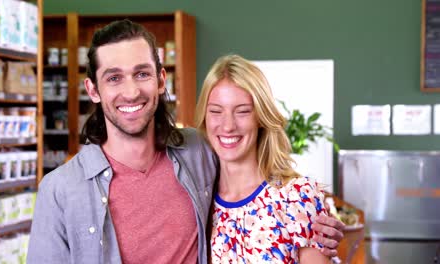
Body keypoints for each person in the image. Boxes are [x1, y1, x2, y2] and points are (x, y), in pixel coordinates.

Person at [27, 19, 343, 264]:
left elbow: (256, 177)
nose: (131, 91)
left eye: (141, 74)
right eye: (113, 77)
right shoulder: (59, 190)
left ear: (161, 80)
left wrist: (312, 221)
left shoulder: (198, 151)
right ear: (93, 90)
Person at [195, 54, 338, 263]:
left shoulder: (296, 197)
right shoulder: (200, 205)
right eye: (216, 111)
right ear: (204, 118)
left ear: (261, 117)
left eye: (242, 111)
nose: (227, 126)